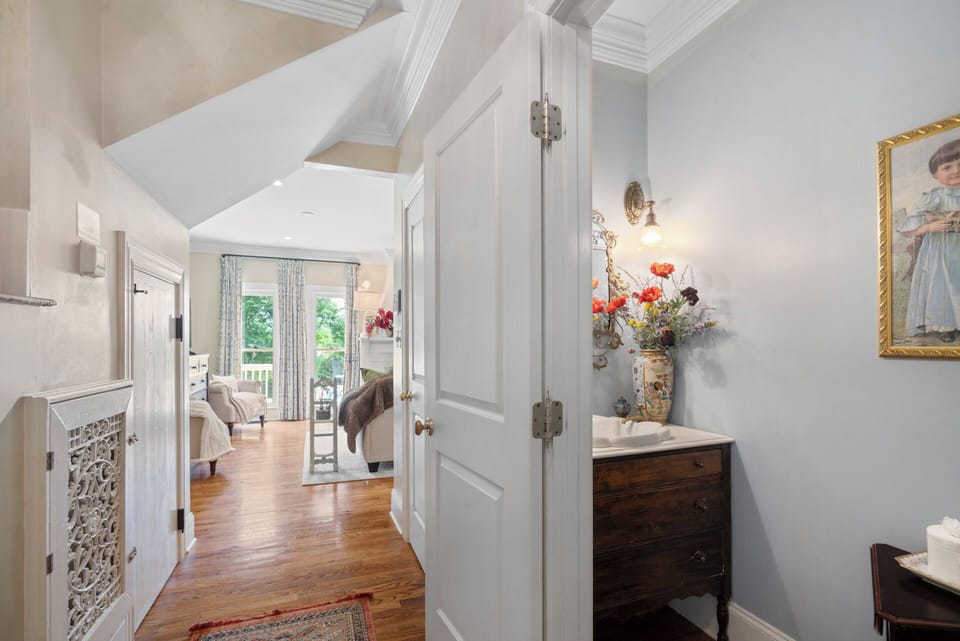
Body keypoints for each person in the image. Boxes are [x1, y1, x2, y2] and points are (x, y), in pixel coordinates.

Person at [897, 139, 960, 342]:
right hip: (940, 250)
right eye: (947, 167)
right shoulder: (935, 196)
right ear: (935, 174)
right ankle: (945, 325)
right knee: (943, 284)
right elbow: (907, 227)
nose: (956, 170)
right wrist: (928, 227)